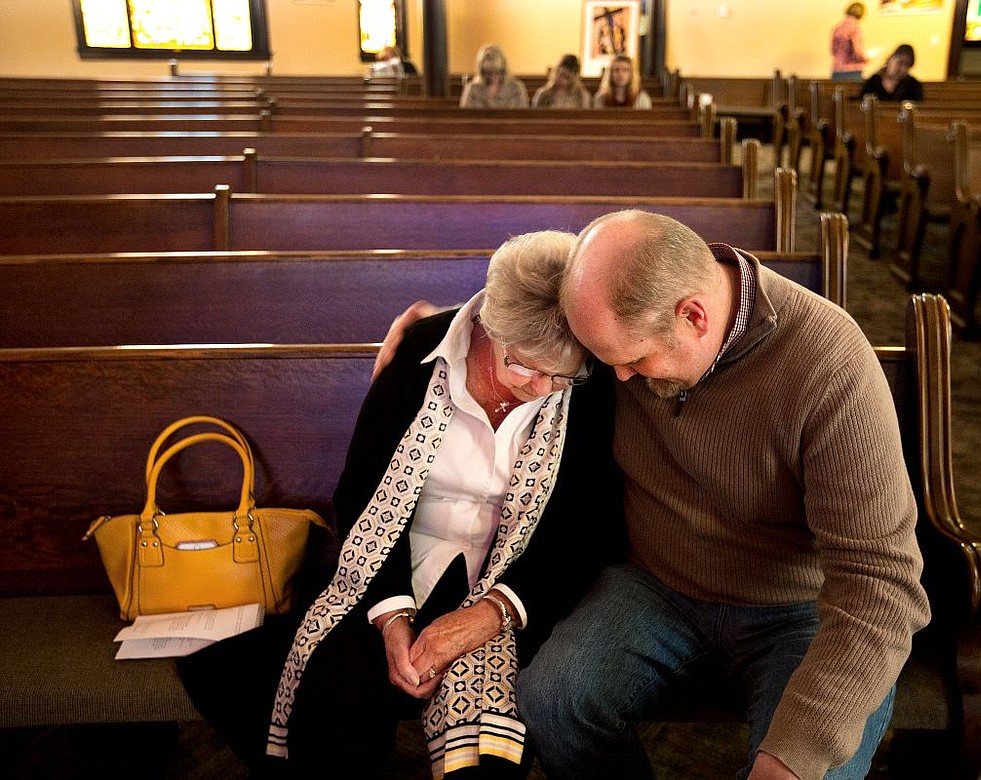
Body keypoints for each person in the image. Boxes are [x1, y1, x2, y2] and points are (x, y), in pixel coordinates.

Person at [374, 211, 931, 780]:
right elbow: (540, 302)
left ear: (694, 316)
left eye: (635, 361)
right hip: (656, 585)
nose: (617, 379)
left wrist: (794, 757)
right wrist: (439, 328)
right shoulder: (633, 307)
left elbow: (881, 584)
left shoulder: (827, 364)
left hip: (793, 606)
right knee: (553, 700)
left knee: (807, 771)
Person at [177, 231, 622, 778]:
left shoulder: (591, 381)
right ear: (487, 326)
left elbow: (587, 523)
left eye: (561, 375)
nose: (542, 387)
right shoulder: (421, 351)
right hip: (392, 562)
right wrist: (392, 618)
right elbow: (361, 487)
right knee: (339, 704)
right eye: (525, 367)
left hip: (520, 576)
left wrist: (490, 613)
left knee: (489, 745)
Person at [460, 43, 528, 109]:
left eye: (497, 72)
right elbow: (465, 116)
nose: (493, 77)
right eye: (488, 72)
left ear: (503, 69)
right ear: (481, 71)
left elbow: (523, 116)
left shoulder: (516, 89)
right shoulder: (472, 89)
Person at [859, 43, 923, 102]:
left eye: (907, 65)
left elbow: (919, 109)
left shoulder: (913, 85)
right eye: (900, 62)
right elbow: (860, 103)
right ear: (891, 59)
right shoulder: (874, 81)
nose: (903, 69)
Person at [830, 3, 868, 81]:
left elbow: (833, 50)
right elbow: (857, 52)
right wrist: (866, 59)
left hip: (837, 71)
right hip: (852, 71)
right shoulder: (855, 29)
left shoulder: (837, 28)